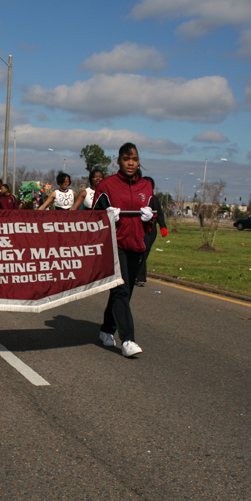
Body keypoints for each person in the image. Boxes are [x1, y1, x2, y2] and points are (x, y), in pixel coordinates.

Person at [92, 142, 155, 357]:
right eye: (127, 159)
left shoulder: (146, 186)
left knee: (124, 294)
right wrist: (107, 216)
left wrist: (150, 218)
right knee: (122, 290)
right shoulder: (107, 185)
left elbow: (151, 219)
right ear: (118, 161)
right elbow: (93, 217)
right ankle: (128, 339)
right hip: (114, 244)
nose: (131, 163)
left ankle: (106, 329)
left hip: (137, 245)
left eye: (135, 159)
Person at [136, 177, 168, 287]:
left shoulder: (154, 199)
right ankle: (137, 276)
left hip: (150, 231)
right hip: (138, 229)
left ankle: (139, 277)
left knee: (144, 253)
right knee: (139, 253)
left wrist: (163, 226)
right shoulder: (136, 197)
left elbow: (159, 213)